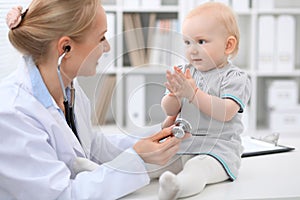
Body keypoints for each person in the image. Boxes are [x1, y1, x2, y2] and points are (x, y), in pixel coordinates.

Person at [0, 1, 186, 199]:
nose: (107, 48)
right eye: (101, 38)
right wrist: (137, 159)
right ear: (66, 48)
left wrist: (161, 134)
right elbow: (63, 195)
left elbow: (93, 147)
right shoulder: (12, 115)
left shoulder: (68, 89)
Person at [159, 2, 251, 199]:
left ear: (228, 45)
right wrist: (174, 95)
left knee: (197, 168)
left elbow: (226, 112)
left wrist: (193, 94)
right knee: (154, 160)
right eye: (187, 42)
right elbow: (168, 110)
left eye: (201, 42)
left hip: (218, 151)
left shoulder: (235, 78)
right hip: (184, 145)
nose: (192, 50)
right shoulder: (186, 71)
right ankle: (103, 172)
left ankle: (177, 187)